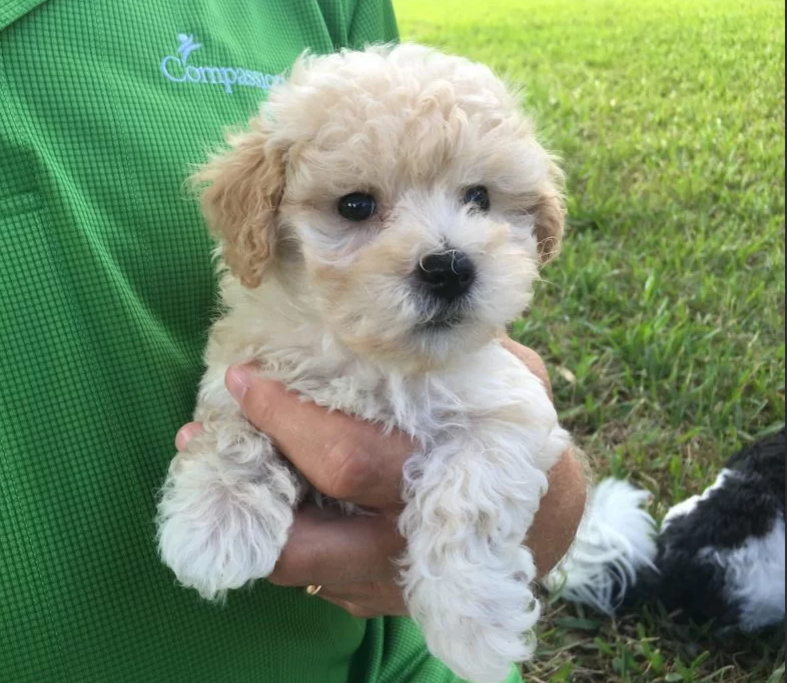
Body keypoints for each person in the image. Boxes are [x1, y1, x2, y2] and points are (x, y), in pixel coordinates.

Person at [0, 1, 586, 681]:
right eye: (357, 206)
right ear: (260, 220)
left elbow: (511, 432)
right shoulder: (262, 335)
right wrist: (239, 459)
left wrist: (464, 549)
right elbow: (237, 387)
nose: (446, 250)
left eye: (478, 198)